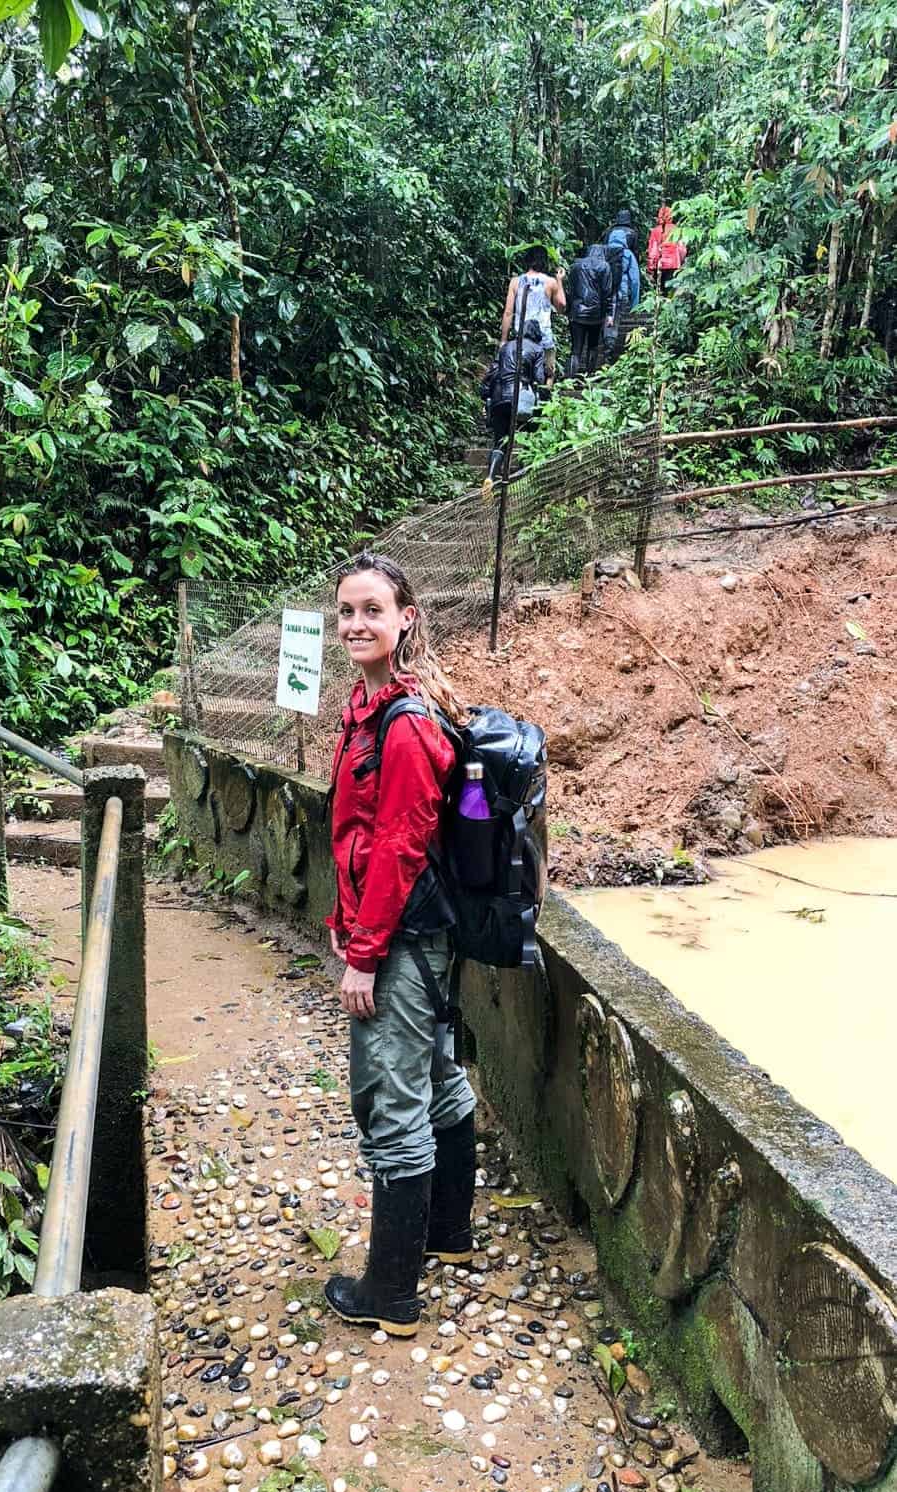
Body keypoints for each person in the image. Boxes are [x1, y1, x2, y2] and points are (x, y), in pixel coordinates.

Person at [324, 553, 477, 1337]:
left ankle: (391, 1294)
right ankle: (448, 1236)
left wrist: (363, 953)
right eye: (346, 611)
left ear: (404, 617)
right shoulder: (372, 704)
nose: (356, 624)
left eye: (371, 611)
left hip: (403, 938)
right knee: (439, 1080)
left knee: (393, 1105)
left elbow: (399, 843)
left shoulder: (406, 722)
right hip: (417, 932)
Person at [479, 317, 549, 491]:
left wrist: (486, 397)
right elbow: (539, 378)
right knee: (528, 435)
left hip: (499, 398)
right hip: (520, 399)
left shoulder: (505, 347)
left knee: (499, 441)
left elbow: (492, 372)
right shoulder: (537, 349)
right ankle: (523, 478)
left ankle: (490, 477)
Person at [499, 247, 566, 386]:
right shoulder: (550, 282)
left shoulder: (515, 282)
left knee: (520, 374)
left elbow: (508, 312)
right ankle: (546, 400)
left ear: (527, 261)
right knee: (548, 373)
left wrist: (503, 340)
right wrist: (559, 280)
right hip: (544, 337)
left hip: (521, 338)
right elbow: (561, 307)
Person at [565, 242, 613, 377]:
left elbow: (570, 289)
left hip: (577, 312)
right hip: (596, 314)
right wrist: (609, 313)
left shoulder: (576, 266)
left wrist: (569, 309)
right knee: (593, 345)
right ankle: (589, 375)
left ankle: (571, 378)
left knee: (576, 349)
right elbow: (607, 292)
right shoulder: (604, 266)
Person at [602, 208, 641, 359]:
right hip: (621, 290)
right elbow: (635, 280)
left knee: (607, 315)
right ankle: (611, 347)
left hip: (605, 290)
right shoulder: (628, 253)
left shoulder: (604, 251)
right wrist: (635, 304)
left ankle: (606, 342)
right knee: (616, 317)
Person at [647, 204, 687, 293]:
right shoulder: (676, 230)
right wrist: (681, 261)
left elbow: (653, 251)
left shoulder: (656, 231)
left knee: (660, 292)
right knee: (672, 292)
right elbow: (682, 249)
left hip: (660, 266)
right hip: (674, 265)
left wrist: (650, 268)